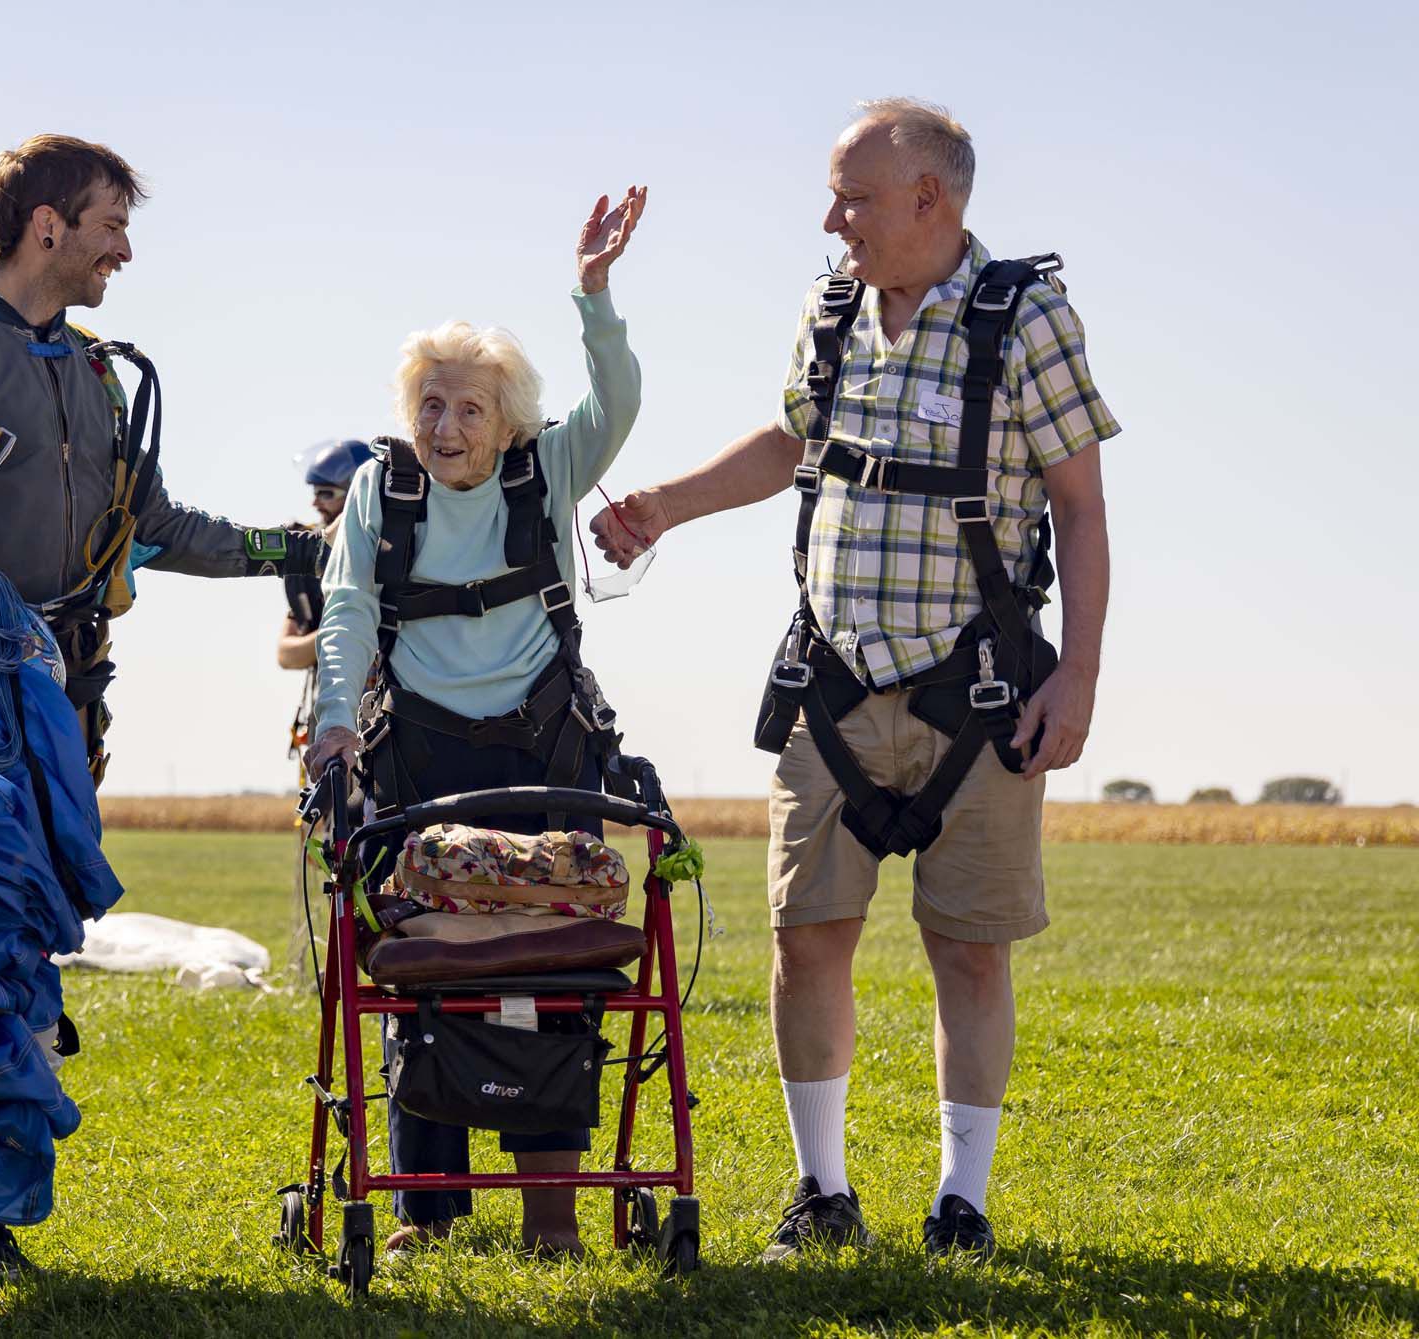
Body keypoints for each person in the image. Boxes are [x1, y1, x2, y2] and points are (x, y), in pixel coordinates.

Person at [594, 99, 1117, 1262]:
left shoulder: (1025, 317)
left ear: (931, 198)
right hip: (829, 688)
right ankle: (821, 1194)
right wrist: (666, 509)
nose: (834, 221)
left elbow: (1079, 507)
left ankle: (961, 1206)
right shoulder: (832, 307)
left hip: (979, 698)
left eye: (855, 198)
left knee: (969, 947)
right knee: (806, 935)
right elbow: (793, 444)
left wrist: (1076, 678)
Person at [0, 133, 320, 1281]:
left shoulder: (94, 375)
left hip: (61, 715)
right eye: (108, 225)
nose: (123, 251)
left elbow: (158, 526)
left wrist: (293, 547)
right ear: (47, 224)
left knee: (23, 945)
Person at [308, 185, 646, 1257]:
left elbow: (619, 404)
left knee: (549, 965)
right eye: (432, 406)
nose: (446, 427)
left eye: (468, 409)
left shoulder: (545, 470)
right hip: (417, 753)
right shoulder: (380, 491)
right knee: (427, 970)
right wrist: (331, 722)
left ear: (507, 421)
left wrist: (593, 295)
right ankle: (423, 1211)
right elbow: (350, 607)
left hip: (545, 749)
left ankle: (553, 1221)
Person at [277, 439, 375, 765]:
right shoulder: (313, 564)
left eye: (326, 493)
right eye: (315, 492)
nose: (315, 503)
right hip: (333, 710)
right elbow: (286, 653)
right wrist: (347, 631)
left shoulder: (388, 552)